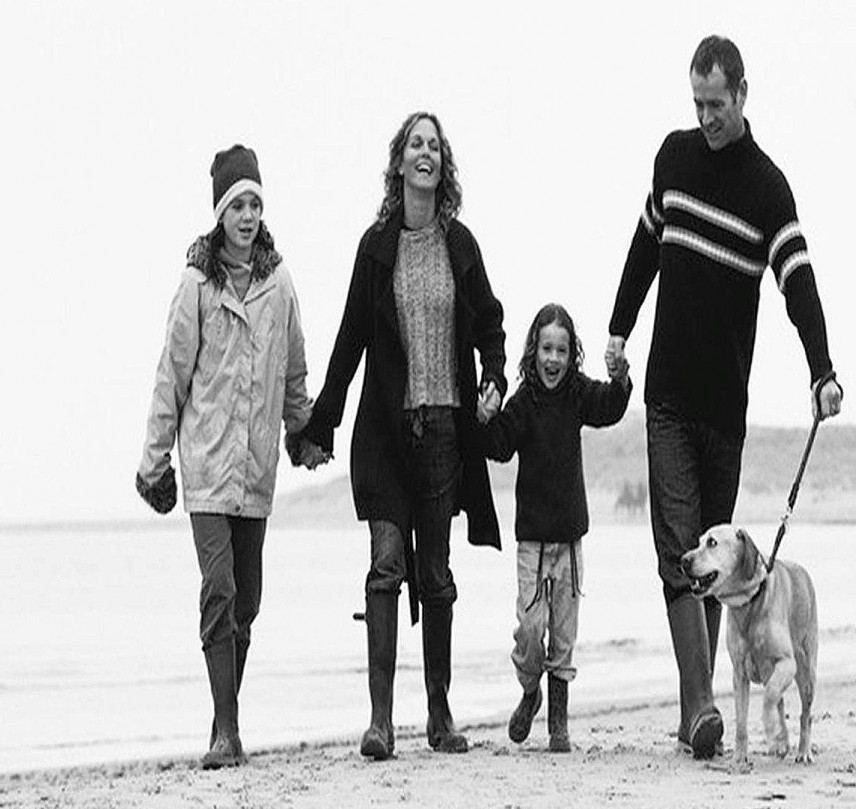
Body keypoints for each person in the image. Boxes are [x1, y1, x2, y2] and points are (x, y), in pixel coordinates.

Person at [604, 35, 843, 761]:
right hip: (669, 395)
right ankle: (702, 707)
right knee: (679, 550)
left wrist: (822, 370)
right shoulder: (673, 159)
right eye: (697, 103)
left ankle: (695, 715)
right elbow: (643, 250)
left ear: (742, 94)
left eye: (716, 103)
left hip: (725, 410)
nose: (706, 117)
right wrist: (618, 329)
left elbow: (798, 283)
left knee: (713, 565)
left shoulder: (768, 188)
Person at [298, 112, 507, 759]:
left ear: (443, 165)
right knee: (386, 565)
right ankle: (381, 722)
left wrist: (495, 375)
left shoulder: (460, 244)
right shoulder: (376, 247)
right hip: (387, 433)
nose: (426, 153)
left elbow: (490, 323)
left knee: (436, 575)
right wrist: (320, 424)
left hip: (445, 428)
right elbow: (350, 339)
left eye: (434, 146)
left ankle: (439, 715)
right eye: (416, 144)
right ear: (399, 163)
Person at [136, 144, 326, 769]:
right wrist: (155, 461)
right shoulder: (196, 286)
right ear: (219, 213)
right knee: (218, 589)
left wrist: (303, 434)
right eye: (237, 205)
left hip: (257, 468)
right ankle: (228, 732)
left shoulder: (280, 284)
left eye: (255, 204)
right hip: (207, 465)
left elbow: (294, 371)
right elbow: (171, 377)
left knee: (248, 602)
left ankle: (224, 718)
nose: (247, 216)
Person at [479, 303, 632, 753]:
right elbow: (499, 446)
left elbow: (610, 407)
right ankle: (530, 692)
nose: (553, 359)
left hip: (569, 540)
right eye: (546, 349)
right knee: (530, 630)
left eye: (561, 350)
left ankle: (558, 724)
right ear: (534, 351)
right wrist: (485, 419)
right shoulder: (523, 401)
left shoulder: (577, 393)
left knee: (563, 634)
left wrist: (621, 378)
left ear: (571, 355)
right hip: (532, 541)